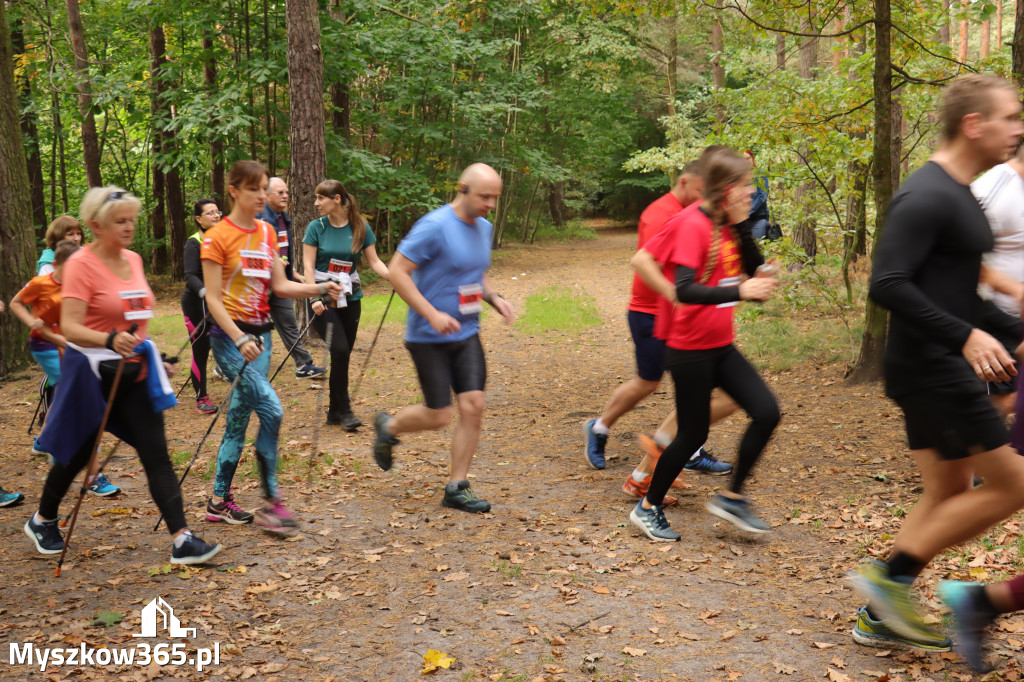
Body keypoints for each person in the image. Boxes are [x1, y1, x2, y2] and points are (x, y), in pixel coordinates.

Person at [850, 74, 1024, 654]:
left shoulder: (958, 192)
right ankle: (888, 581)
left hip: (930, 363)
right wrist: (968, 337)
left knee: (948, 486)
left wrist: (1011, 335)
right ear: (974, 124)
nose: (1018, 129)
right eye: (1009, 117)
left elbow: (955, 293)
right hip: (934, 367)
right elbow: (888, 283)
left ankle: (878, 614)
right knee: (1012, 485)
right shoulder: (926, 194)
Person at [23, 186, 221, 565]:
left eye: (132, 219)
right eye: (120, 221)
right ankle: (43, 519)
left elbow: (137, 321)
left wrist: (153, 357)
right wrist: (111, 338)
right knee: (77, 453)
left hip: (133, 375)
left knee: (156, 454)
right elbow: (71, 326)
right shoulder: (80, 263)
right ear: (96, 225)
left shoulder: (133, 259)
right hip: (91, 375)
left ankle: (182, 539)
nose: (129, 227)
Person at [628, 147, 780, 542]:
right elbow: (686, 289)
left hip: (720, 344)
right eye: (746, 186)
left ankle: (732, 496)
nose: (751, 192)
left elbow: (750, 270)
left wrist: (755, 266)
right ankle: (647, 507)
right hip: (690, 350)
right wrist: (744, 289)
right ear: (727, 189)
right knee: (692, 435)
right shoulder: (694, 225)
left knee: (766, 411)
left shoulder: (728, 224)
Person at [202, 161, 341, 532]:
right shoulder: (217, 237)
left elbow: (279, 286)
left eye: (264, 188)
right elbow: (213, 299)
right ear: (233, 190)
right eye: (254, 189)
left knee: (238, 419)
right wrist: (238, 337)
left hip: (261, 342)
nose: (261, 195)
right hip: (231, 342)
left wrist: (319, 287)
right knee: (272, 409)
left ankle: (218, 500)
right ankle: (271, 504)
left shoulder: (265, 232)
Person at [583, 158, 736, 495]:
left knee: (694, 384)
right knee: (648, 383)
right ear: (684, 182)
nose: (705, 198)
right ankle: (601, 428)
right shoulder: (661, 215)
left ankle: (680, 453)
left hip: (682, 318)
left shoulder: (701, 216)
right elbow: (652, 264)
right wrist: (681, 293)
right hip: (651, 313)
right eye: (700, 190)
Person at [372, 163, 515, 513]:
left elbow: (475, 273)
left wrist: (494, 298)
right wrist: (432, 314)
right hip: (428, 336)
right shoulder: (434, 226)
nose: (490, 205)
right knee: (438, 416)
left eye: (495, 198)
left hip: (466, 332)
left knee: (474, 406)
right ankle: (388, 426)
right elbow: (397, 272)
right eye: (485, 197)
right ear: (463, 189)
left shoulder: (484, 228)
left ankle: (457, 486)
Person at [12, 240, 124, 500]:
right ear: (59, 264)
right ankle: (89, 474)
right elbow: (17, 302)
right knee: (78, 401)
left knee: (67, 397)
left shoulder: (82, 285)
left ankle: (47, 441)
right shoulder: (41, 283)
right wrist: (32, 321)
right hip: (46, 346)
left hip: (70, 346)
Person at [303, 179, 390, 429]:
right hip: (322, 298)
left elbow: (374, 262)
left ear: (337, 199)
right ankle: (346, 410)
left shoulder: (360, 226)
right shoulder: (316, 227)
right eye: (316, 198)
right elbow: (308, 266)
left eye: (321, 198)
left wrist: (394, 275)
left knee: (343, 355)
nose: (316, 203)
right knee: (339, 350)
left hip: (350, 297)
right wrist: (313, 297)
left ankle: (333, 411)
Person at [970, 148, 1024, 418]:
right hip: (997, 315)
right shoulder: (992, 189)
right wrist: (1017, 291)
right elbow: (961, 258)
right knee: (1004, 403)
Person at [257, 176, 325, 379]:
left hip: (281, 282)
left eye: (286, 192)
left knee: (288, 322)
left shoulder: (283, 217)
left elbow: (284, 249)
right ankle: (226, 364)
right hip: (261, 284)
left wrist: (292, 272)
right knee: (251, 327)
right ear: (267, 195)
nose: (286, 196)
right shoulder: (260, 219)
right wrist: (272, 263)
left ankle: (303, 364)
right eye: (280, 192)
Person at [181, 198, 222, 415]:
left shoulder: (223, 239)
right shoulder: (194, 242)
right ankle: (201, 398)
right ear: (199, 219)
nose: (216, 216)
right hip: (196, 303)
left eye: (218, 212)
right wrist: (205, 292)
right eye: (210, 213)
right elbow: (189, 275)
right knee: (201, 349)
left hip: (220, 301)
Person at [740, 150, 771, 241]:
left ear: (752, 158)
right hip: (744, 219)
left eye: (748, 158)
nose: (746, 161)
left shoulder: (761, 173)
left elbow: (762, 196)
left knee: (758, 246)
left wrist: (749, 212)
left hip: (759, 218)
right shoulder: (740, 177)